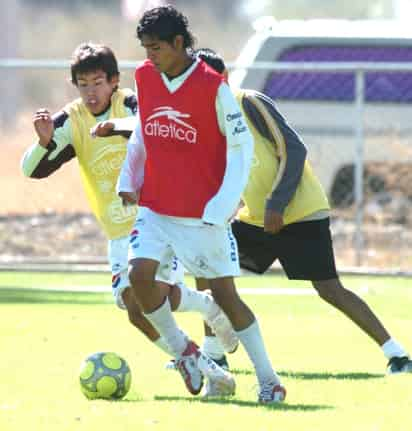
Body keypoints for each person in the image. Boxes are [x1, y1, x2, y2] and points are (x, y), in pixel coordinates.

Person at [20, 42, 239, 382]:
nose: (91, 92)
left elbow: (148, 120)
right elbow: (29, 169)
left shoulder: (132, 103)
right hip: (116, 231)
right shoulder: (73, 118)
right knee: (135, 311)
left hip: (155, 219)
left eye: (97, 83)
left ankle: (205, 336)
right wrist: (45, 143)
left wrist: (115, 127)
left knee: (156, 294)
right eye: (83, 84)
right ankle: (197, 352)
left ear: (113, 81)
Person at [194, 47, 412, 376]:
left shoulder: (249, 102)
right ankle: (214, 354)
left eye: (203, 80)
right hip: (255, 218)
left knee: (329, 289)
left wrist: (276, 204)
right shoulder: (205, 122)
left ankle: (397, 354)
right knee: (207, 266)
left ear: (221, 78)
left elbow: (294, 150)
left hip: (299, 213)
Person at [117, 5, 286, 403]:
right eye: (144, 48)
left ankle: (268, 379)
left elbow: (241, 147)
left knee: (227, 298)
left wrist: (222, 205)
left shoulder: (214, 87)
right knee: (139, 277)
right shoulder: (144, 76)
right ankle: (186, 353)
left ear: (179, 43)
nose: (148, 56)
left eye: (155, 47)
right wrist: (130, 179)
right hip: (155, 207)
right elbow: (143, 130)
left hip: (202, 216)